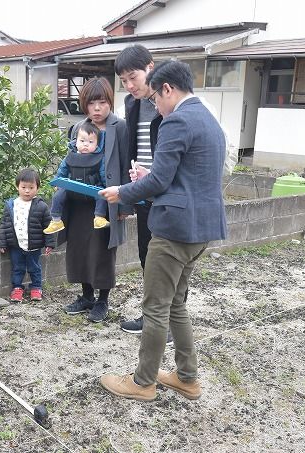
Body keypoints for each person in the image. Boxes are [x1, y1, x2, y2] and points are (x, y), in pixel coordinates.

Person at [98, 60, 227, 401]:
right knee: (176, 306)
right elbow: (184, 176)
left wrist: (122, 192)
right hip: (202, 228)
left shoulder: (177, 120)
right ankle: (187, 377)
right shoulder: (208, 119)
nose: (155, 105)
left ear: (168, 89)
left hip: (173, 230)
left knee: (155, 307)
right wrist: (150, 180)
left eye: (156, 98)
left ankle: (142, 383)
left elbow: (160, 180)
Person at [58, 77, 131, 323]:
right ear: (84, 105)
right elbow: (69, 160)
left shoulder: (119, 127)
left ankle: (102, 300)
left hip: (106, 201)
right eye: (91, 103)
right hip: (78, 202)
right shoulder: (78, 127)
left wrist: (124, 202)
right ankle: (86, 296)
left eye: (102, 102)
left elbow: (123, 167)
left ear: (110, 102)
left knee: (102, 251)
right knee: (78, 248)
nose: (97, 109)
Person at [114, 44, 161, 335]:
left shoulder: (169, 102)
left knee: (166, 262)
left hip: (169, 196)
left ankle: (165, 323)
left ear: (150, 68)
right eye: (123, 81)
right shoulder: (131, 105)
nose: (129, 86)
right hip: (143, 193)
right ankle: (151, 317)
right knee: (146, 255)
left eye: (133, 77)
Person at [0, 168, 56, 303]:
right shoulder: (11, 205)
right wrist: (2, 243)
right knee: (17, 268)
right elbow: (4, 224)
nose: (27, 190)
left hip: (34, 246)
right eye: (23, 187)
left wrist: (50, 243)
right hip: (16, 246)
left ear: (37, 188)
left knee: (35, 268)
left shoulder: (41, 206)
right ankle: (17, 288)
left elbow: (48, 226)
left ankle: (36, 287)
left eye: (31, 187)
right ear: (17, 186)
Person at [43, 121, 110, 234]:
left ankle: (99, 217)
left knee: (101, 195)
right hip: (72, 188)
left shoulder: (100, 158)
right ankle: (56, 221)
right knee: (58, 195)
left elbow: (103, 174)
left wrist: (106, 187)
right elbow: (62, 170)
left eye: (90, 142)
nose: (85, 144)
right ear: (75, 142)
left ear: (97, 144)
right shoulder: (70, 157)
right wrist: (57, 183)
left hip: (92, 188)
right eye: (82, 141)